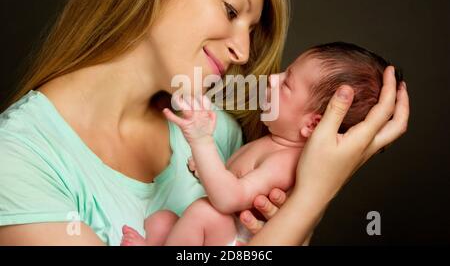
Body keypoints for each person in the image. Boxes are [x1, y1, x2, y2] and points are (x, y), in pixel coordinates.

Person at [0, 0, 409, 246]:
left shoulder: (222, 132)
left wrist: (303, 210)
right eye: (232, 10)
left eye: (251, 31)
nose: (245, 54)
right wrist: (313, 197)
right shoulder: (17, 158)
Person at [120, 42, 405, 246]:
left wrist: (202, 142)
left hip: (237, 242)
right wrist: (207, 168)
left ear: (313, 124)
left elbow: (228, 199)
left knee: (203, 212)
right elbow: (232, 180)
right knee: (162, 220)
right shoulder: (271, 142)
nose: (271, 79)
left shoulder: (286, 162)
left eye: (286, 84)